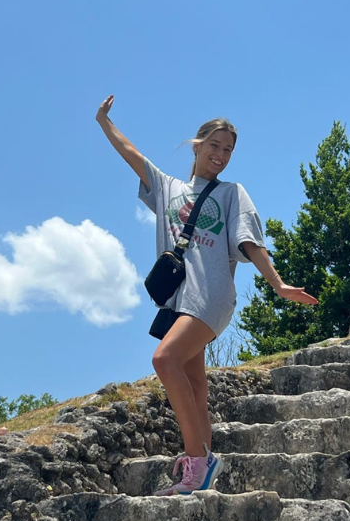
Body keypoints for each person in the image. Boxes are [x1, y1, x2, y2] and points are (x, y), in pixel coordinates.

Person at [96, 94, 319, 496]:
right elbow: (131, 154)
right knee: (195, 384)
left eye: (229, 149)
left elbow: (250, 241)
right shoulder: (167, 188)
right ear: (196, 146)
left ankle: (197, 461)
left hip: (212, 296)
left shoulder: (232, 193)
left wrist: (277, 283)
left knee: (164, 359)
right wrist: (103, 121)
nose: (221, 154)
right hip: (180, 301)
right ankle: (200, 478)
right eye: (215, 145)